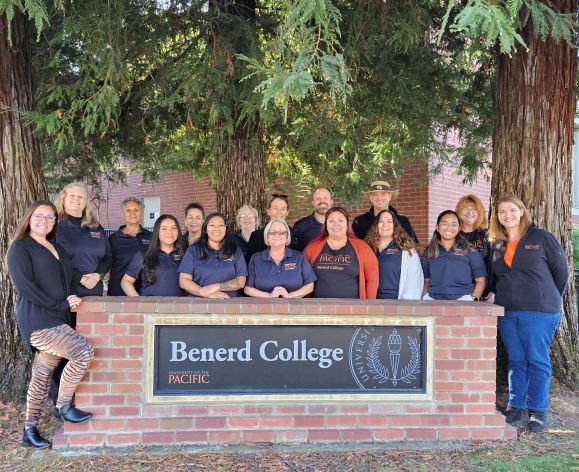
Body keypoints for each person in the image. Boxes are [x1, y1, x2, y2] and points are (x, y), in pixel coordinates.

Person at [7, 201, 94, 450]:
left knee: (42, 375)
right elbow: (26, 288)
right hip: (37, 319)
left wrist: (88, 279)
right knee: (83, 351)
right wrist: (61, 303)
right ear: (29, 217)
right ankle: (64, 406)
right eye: (39, 216)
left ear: (55, 222)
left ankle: (29, 429)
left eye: (50, 217)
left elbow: (68, 274)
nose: (44, 221)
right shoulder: (20, 249)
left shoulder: (55, 246)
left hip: (58, 317)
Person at [487, 196, 568, 433]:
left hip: (539, 311)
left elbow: (560, 272)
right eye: (502, 211)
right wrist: (493, 294)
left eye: (512, 210)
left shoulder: (540, 237)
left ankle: (538, 411)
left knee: (537, 360)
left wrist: (547, 296)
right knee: (516, 361)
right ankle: (516, 406)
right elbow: (497, 278)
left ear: (522, 212)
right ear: (497, 216)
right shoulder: (498, 244)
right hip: (508, 312)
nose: (507, 215)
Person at [304, 207, 378, 299]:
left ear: (347, 224)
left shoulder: (361, 247)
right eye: (331, 221)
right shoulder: (312, 247)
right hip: (318, 308)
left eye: (340, 220)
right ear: (326, 225)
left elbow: (372, 280)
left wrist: (368, 306)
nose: (336, 224)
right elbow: (302, 276)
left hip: (352, 309)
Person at [55, 182, 112, 297]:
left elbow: (108, 256)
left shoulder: (96, 227)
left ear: (85, 203)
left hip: (94, 291)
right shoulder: (55, 226)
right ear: (63, 200)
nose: (76, 199)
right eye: (72, 196)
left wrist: (98, 275)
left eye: (80, 197)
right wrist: (80, 278)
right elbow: (52, 262)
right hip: (66, 293)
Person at [421, 210, 486, 301]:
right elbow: (426, 280)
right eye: (444, 224)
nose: (449, 228)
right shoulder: (429, 251)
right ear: (437, 227)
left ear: (459, 228)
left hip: (463, 299)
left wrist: (473, 300)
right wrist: (424, 297)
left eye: (454, 224)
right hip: (433, 299)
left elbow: (480, 281)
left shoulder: (470, 250)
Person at [178, 212, 247, 298]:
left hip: (228, 304)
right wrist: (206, 293)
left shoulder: (235, 250)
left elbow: (241, 282)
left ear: (226, 229)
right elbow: (184, 281)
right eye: (212, 225)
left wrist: (216, 286)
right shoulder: (193, 250)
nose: (217, 229)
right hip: (198, 305)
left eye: (221, 225)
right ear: (205, 229)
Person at [245, 218, 317, 298]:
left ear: (287, 236)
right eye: (272, 232)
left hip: (294, 308)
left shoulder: (299, 257)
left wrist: (290, 295)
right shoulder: (256, 259)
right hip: (264, 308)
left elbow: (310, 286)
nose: (277, 235)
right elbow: (248, 288)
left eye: (282, 232)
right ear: (267, 236)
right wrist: (269, 295)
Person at [365, 209, 423, 300]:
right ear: (376, 225)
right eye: (381, 221)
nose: (385, 224)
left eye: (389, 221)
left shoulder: (406, 250)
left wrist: (405, 306)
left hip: (395, 302)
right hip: (371, 301)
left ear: (395, 226)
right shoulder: (367, 248)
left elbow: (414, 279)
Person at [121, 215, 185, 296]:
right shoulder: (144, 255)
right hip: (150, 307)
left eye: (173, 228)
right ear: (157, 231)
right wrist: (139, 301)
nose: (169, 232)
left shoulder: (185, 255)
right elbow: (126, 281)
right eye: (164, 228)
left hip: (179, 307)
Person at [108, 197, 152, 296]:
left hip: (144, 292)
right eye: (128, 210)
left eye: (136, 210)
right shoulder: (114, 239)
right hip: (118, 293)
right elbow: (106, 263)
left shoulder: (151, 237)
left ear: (141, 213)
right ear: (123, 213)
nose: (133, 213)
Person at [352, 180, 418, 243]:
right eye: (375, 194)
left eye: (383, 194)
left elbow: (413, 247)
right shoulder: (359, 222)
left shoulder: (403, 221)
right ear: (371, 198)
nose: (379, 198)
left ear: (389, 196)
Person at [246, 194, 289, 262]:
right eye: (275, 208)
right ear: (268, 211)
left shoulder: (294, 234)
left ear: (287, 212)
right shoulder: (256, 236)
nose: (279, 212)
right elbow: (250, 263)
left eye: (283, 209)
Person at [291, 187, 334, 251]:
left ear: (331, 202)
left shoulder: (341, 226)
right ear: (313, 203)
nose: (322, 201)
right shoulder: (300, 226)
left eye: (325, 198)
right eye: (318, 198)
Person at [455, 194, 489, 260]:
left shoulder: (485, 235)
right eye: (465, 208)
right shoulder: (452, 234)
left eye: (474, 209)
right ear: (459, 211)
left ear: (479, 212)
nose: (470, 212)